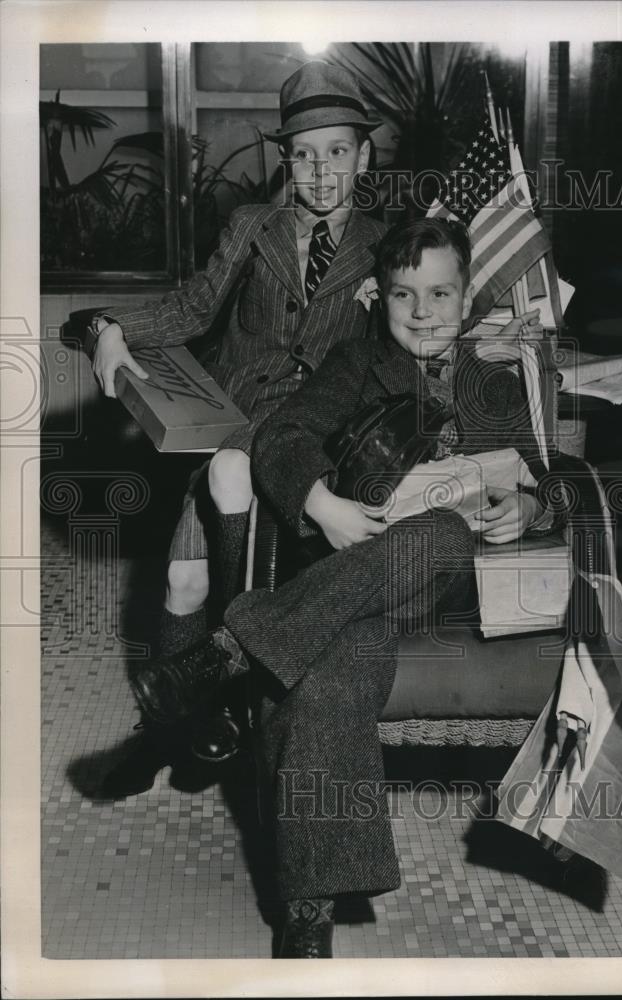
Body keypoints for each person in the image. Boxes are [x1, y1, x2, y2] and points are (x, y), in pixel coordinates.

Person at [130, 217, 560, 956]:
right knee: (331, 673)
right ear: (381, 298)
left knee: (441, 533)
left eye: (439, 294)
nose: (422, 313)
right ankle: (308, 912)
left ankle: (232, 645)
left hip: (440, 571)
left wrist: (529, 504)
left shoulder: (488, 379)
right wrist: (321, 505)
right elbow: (286, 435)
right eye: (403, 295)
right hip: (348, 586)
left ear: (466, 298)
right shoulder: (357, 362)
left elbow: (547, 476)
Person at [88, 61, 387, 786]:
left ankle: (217, 694)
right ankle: (173, 727)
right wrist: (104, 323)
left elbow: (433, 327)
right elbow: (192, 309)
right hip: (234, 425)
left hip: (316, 445)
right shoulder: (254, 226)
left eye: (338, 151)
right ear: (285, 159)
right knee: (183, 582)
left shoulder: (389, 243)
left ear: (366, 156)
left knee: (287, 585)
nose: (321, 172)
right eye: (305, 154)